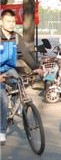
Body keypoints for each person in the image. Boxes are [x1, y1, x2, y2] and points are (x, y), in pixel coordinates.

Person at [1, 9, 40, 145]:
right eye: (8, 21)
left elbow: (25, 54)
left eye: (13, 22)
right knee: (3, 99)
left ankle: (16, 104)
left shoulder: (16, 37)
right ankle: (1, 130)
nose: (11, 24)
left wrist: (36, 68)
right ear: (1, 22)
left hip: (10, 70)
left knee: (19, 83)